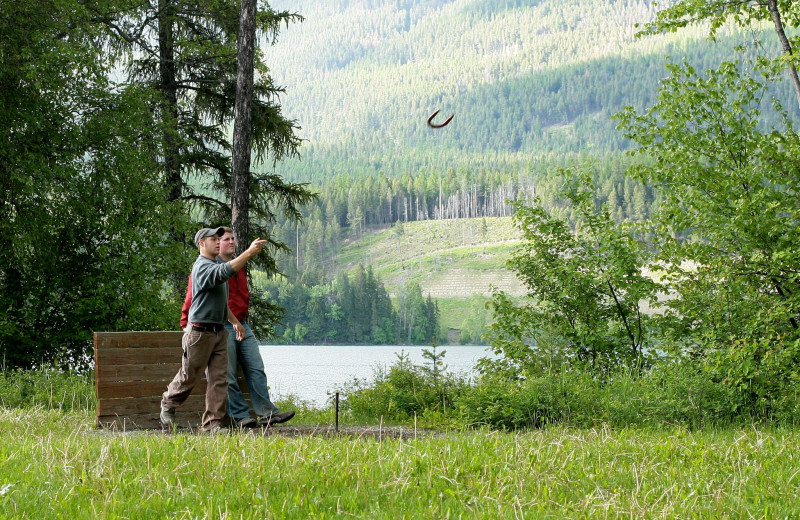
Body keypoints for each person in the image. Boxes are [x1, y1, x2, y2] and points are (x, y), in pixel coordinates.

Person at [180, 227, 295, 428]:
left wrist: (239, 322)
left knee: (256, 368)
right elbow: (192, 299)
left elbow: (239, 296)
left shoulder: (239, 267)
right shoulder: (207, 267)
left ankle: (268, 413)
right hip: (220, 326)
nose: (230, 242)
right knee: (227, 374)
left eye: (232, 238)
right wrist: (185, 324)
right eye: (225, 239)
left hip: (241, 323)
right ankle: (241, 416)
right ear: (208, 244)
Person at [160, 227, 267, 433]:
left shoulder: (214, 264)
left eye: (219, 239)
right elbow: (223, 272)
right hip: (199, 332)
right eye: (213, 239)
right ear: (201, 243)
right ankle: (168, 404)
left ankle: (212, 424)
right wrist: (249, 253)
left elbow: (220, 302)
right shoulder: (202, 266)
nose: (218, 242)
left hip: (219, 332)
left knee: (219, 380)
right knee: (189, 375)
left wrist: (235, 322)